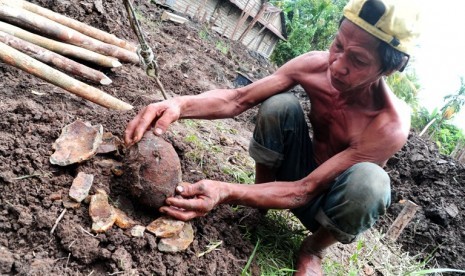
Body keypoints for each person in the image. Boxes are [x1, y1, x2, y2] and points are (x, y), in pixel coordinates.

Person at [124, 0, 420, 274]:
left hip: (327, 204)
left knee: (372, 183)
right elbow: (237, 99)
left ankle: (313, 249)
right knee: (279, 105)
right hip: (292, 177)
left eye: (357, 60)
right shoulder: (314, 66)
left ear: (391, 67)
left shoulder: (389, 125)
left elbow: (306, 189)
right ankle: (260, 202)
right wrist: (179, 104)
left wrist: (225, 191)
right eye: (338, 45)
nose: (337, 65)